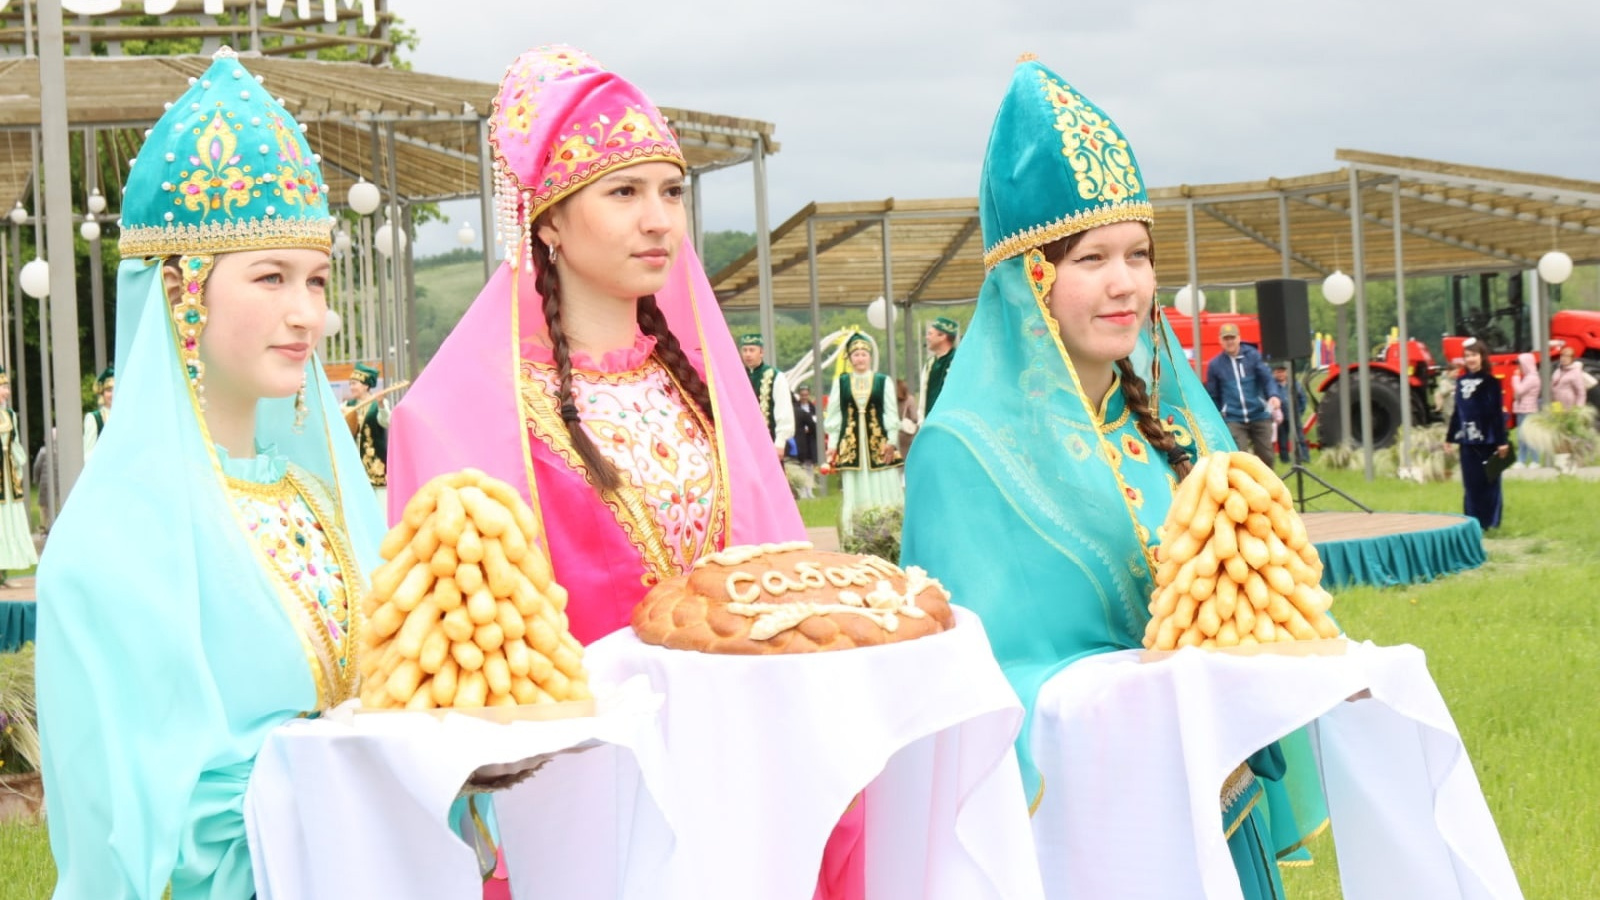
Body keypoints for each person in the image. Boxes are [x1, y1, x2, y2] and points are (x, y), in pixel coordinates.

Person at [386, 46, 862, 898]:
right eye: (624, 193)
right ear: (549, 223)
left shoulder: (703, 392)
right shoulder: (463, 416)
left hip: (732, 772)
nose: (660, 222)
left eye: (671, 192)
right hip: (575, 797)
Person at [901, 56, 1323, 900]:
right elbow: (963, 694)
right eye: (1092, 258)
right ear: (1034, 280)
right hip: (1078, 843)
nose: (1125, 283)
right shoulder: (963, 451)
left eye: (1139, 253)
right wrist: (1136, 693)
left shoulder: (1177, 421)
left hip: (1212, 798)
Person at [32, 49, 385, 899]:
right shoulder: (115, 539)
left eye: (315, 279)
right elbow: (150, 822)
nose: (309, 314)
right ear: (186, 296)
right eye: (271, 278)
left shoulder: (319, 499)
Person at [824, 332, 903, 540]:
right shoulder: (841, 383)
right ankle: (855, 534)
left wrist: (891, 441)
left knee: (881, 481)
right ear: (850, 359)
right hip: (852, 443)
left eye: (863, 354)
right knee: (854, 485)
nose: (860, 358)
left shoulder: (882, 381)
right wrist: (832, 444)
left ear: (870, 357)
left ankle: (885, 533)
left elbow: (891, 412)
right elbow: (834, 415)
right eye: (856, 354)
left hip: (877, 442)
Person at [1446, 338, 1509, 530]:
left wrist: (1502, 441)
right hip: (1467, 441)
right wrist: (1449, 438)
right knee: (1471, 483)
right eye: (1467, 356)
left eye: (1474, 355)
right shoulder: (1461, 381)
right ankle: (1473, 522)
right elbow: (1458, 412)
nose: (1471, 359)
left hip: (1488, 441)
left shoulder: (1491, 383)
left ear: (1482, 357)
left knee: (1489, 483)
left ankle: (1491, 522)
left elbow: (1496, 414)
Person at [1205, 323, 1278, 466]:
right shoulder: (1215, 365)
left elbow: (1267, 379)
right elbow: (1213, 394)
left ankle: (1266, 486)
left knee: (1267, 456)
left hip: (1259, 414)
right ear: (1220, 341)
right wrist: (1218, 415)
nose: (1229, 342)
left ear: (1239, 338)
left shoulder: (1253, 356)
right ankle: (1243, 487)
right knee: (1238, 458)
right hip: (1234, 417)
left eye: (1232, 338)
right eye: (1226, 339)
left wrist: (1273, 395)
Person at [0, 368, 37, 585]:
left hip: (8, 474)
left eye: (6, 387)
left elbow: (15, 444)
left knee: (8, 519)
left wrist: (17, 468)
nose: (6, 392)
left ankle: (3, 572)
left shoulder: (10, 415)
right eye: (3, 387)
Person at [739, 333, 795, 459]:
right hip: (743, 443)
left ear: (761, 352)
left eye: (752, 350)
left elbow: (784, 410)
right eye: (745, 350)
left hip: (769, 442)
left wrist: (780, 442)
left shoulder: (775, 376)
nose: (748, 354)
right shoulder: (737, 376)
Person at [343, 362, 391, 501]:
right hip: (355, 461)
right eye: (350, 384)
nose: (351, 387)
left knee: (380, 500)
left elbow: (386, 421)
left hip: (375, 460)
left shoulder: (378, 404)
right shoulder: (347, 406)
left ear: (365, 385)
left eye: (354, 384)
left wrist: (381, 405)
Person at [920, 316, 959, 418]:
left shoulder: (957, 360)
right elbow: (923, 397)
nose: (927, 337)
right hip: (930, 420)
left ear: (942, 336)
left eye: (930, 334)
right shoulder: (930, 364)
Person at [1270, 361, 1309, 463]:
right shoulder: (1271, 386)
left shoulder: (1294, 384)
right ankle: (1285, 460)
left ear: (1286, 372)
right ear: (1274, 373)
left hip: (1294, 416)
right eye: (1278, 372)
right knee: (1282, 440)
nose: (1280, 374)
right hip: (1280, 419)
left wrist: (1299, 412)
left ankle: (1304, 457)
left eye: (1282, 371)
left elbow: (1303, 399)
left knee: (1300, 438)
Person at [1510, 352, 1543, 468]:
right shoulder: (1529, 377)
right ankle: (1521, 460)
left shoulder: (1532, 378)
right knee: (1521, 436)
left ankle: (1535, 460)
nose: (1519, 368)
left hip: (1528, 409)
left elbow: (1519, 391)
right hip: (1522, 409)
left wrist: (1515, 377)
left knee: (1528, 436)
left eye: (1520, 365)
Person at [789, 384, 820, 499]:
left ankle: (809, 489)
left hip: (810, 440)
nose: (804, 397)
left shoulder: (814, 408)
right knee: (800, 465)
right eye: (802, 395)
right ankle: (802, 490)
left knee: (809, 466)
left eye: (806, 395)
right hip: (800, 439)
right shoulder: (796, 409)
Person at [83, 365, 114, 461]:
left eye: (116, 389)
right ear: (102, 393)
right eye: (109, 390)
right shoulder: (94, 418)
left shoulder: (128, 418)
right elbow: (88, 456)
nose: (112, 394)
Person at [1551, 344, 1591, 410]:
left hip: (1569, 407)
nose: (1564, 358)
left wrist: (1578, 408)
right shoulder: (1558, 370)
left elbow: (1581, 392)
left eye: (1567, 356)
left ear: (1572, 358)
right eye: (1562, 355)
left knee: (1566, 420)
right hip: (1556, 404)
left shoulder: (1576, 372)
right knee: (1557, 419)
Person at [894, 377, 918, 459]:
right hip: (909, 435)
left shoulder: (893, 401)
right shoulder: (910, 399)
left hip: (897, 435)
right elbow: (914, 418)